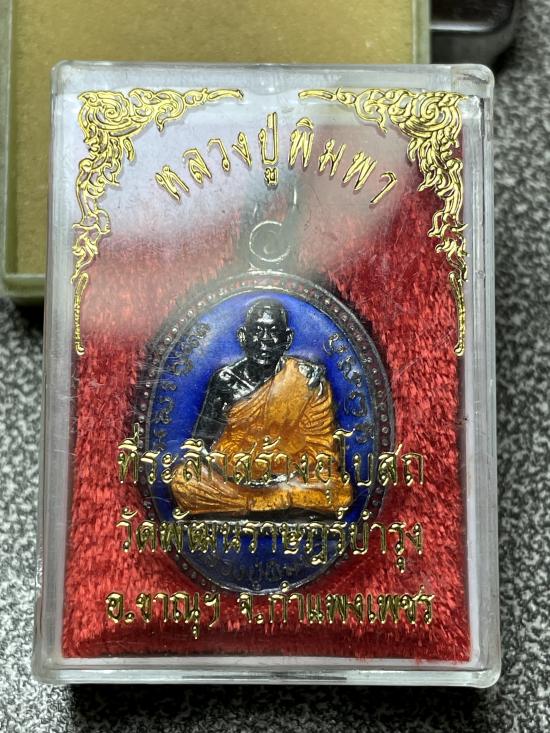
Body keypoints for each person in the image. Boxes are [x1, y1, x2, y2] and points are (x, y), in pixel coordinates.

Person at [171, 297, 352, 515]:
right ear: (243, 337)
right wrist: (232, 468)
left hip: (290, 475)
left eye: (273, 331)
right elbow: (201, 444)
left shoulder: (307, 380)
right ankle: (274, 503)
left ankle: (256, 503)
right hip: (234, 477)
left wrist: (284, 471)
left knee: (337, 488)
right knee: (183, 480)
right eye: (257, 331)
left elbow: (323, 449)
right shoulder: (225, 382)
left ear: (287, 339)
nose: (265, 340)